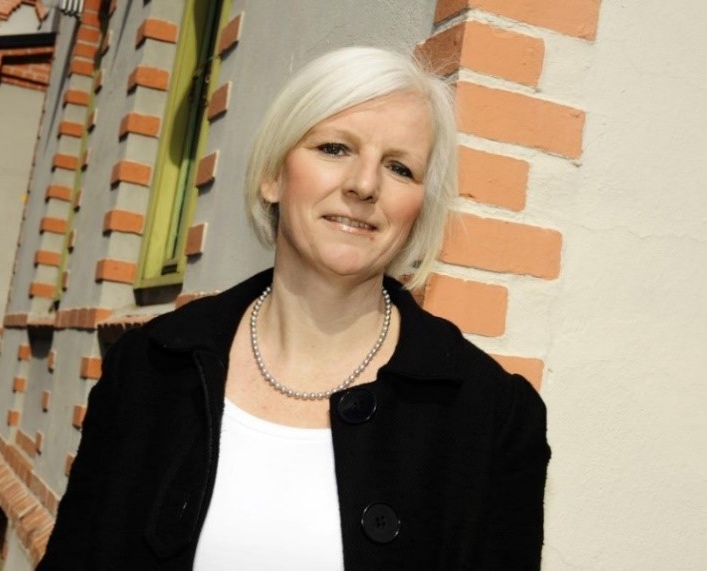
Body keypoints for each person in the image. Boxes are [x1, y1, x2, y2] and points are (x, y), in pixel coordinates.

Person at [38, 46, 550, 570]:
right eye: (334, 148)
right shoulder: (146, 368)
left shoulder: (494, 419)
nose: (364, 185)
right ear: (273, 176)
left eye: (399, 167)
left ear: (419, 209)